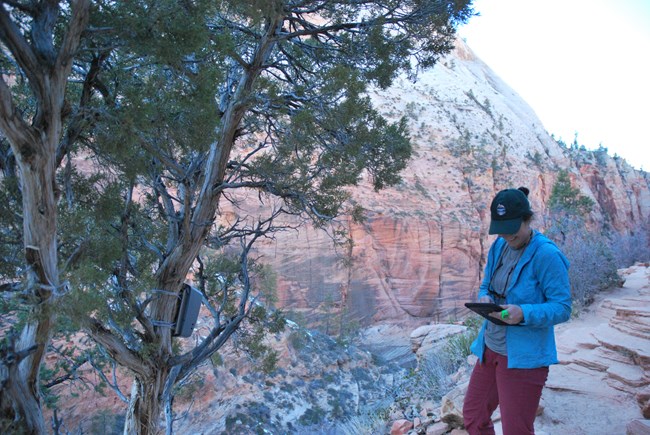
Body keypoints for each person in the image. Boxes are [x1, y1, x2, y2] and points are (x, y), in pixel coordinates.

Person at [462, 187, 572, 435]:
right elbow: (486, 283)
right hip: (491, 348)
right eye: (501, 230)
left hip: (524, 358)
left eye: (512, 229)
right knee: (473, 415)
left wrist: (524, 313)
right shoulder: (499, 247)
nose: (506, 236)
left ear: (527, 219)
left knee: (516, 430)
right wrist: (484, 296)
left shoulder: (547, 255)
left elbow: (563, 307)